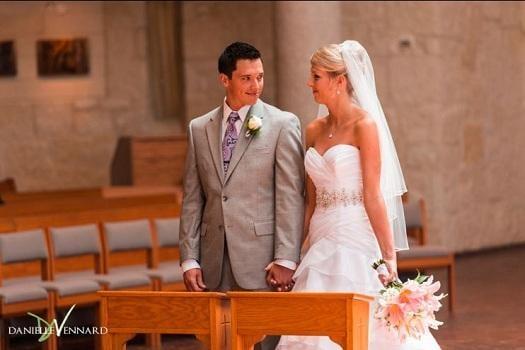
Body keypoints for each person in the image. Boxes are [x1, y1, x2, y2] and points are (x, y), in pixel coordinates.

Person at [276, 41, 441, 349]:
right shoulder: (312, 129)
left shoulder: (365, 126)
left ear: (340, 81)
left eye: (316, 76)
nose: (309, 83)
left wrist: (389, 255)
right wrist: (296, 251)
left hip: (355, 234)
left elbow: (373, 195)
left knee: (366, 322)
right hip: (320, 237)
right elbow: (310, 201)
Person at [179, 42, 304, 295]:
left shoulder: (283, 124)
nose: (255, 86)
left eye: (259, 77)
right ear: (224, 79)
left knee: (263, 333)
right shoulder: (198, 128)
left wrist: (286, 258)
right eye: (246, 78)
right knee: (219, 335)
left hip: (262, 262)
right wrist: (189, 258)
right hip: (212, 262)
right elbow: (193, 199)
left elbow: (290, 196)